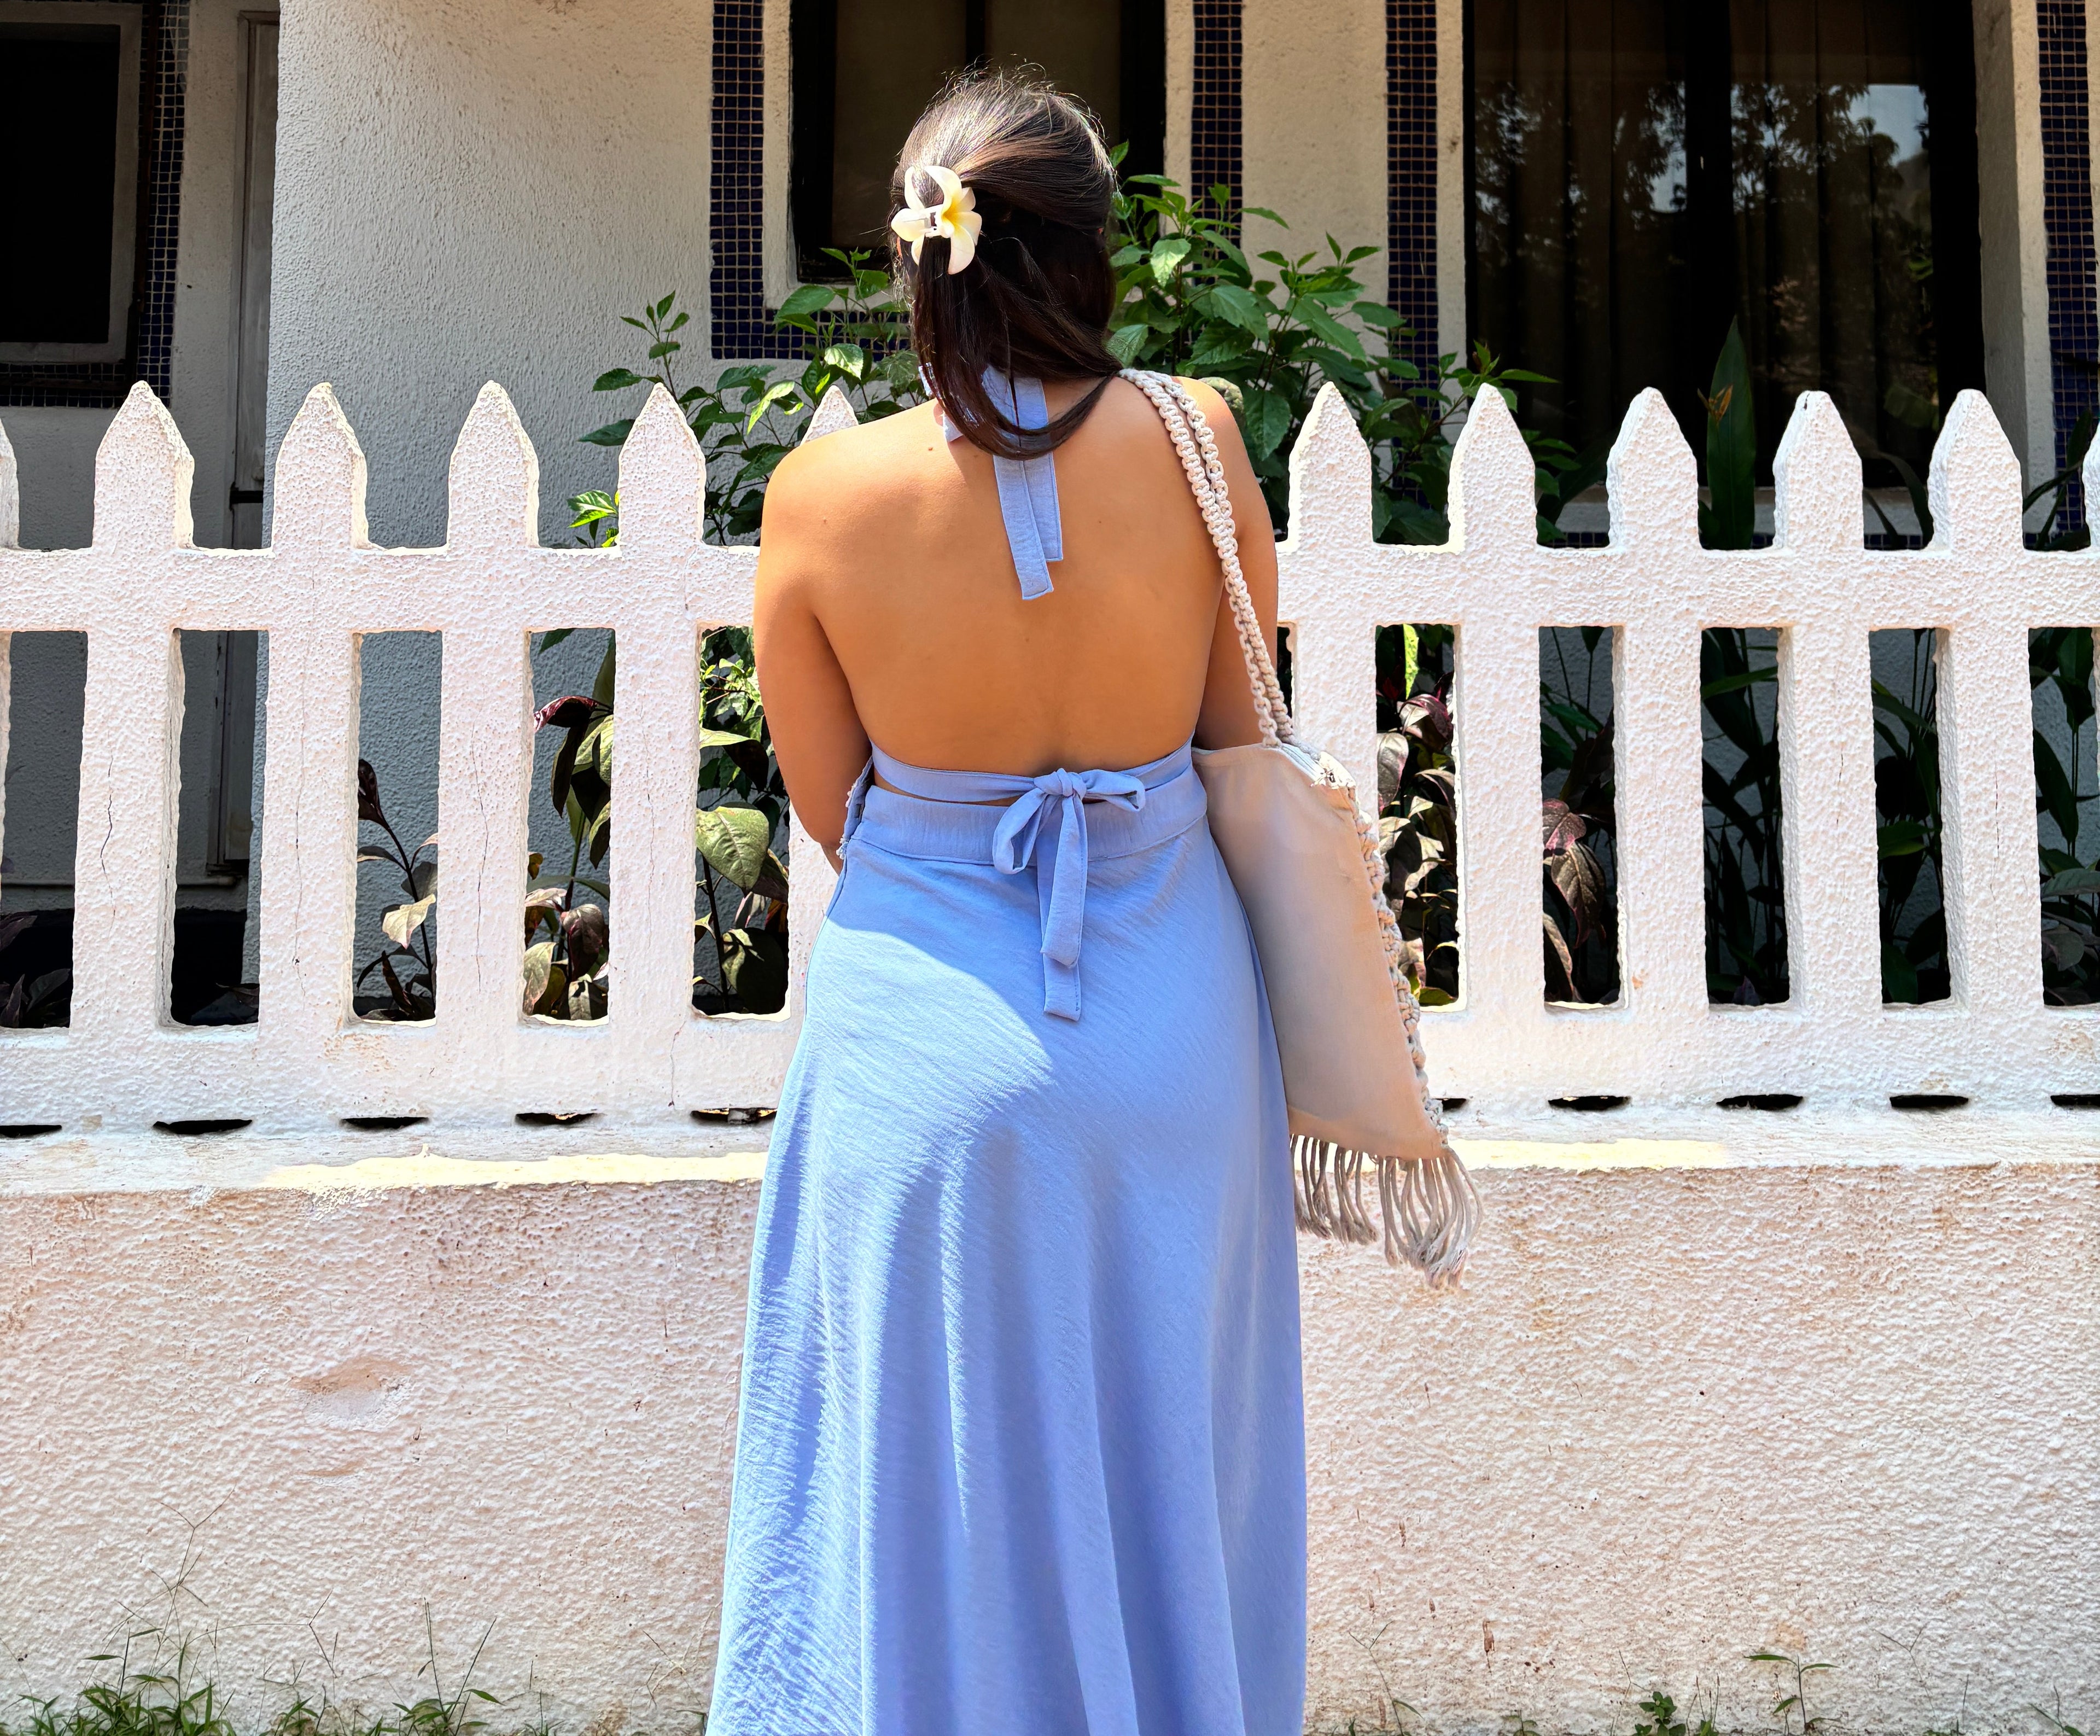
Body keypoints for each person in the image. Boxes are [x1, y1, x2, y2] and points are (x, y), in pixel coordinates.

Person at [707, 72, 1305, 1736]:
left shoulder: (824, 497)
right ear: (1097, 250)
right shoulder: (1199, 441)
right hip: (1172, 1029)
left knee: (918, 1476)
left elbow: (836, 809)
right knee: (1169, 1455)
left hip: (922, 1038)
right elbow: (1240, 734)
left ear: (913, 257)